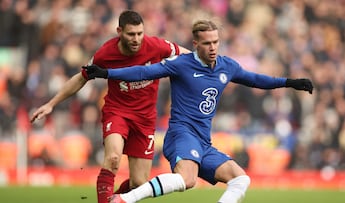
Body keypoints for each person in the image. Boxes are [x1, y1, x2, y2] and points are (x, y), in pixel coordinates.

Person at [83, 20, 314, 203]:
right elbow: (143, 73)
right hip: (181, 135)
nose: (212, 47)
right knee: (188, 180)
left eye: (215, 42)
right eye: (206, 43)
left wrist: (289, 82)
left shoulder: (227, 66)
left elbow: (255, 79)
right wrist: (107, 74)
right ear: (195, 44)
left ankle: (125, 196)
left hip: (204, 140)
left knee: (240, 179)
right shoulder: (181, 63)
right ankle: (124, 200)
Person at [30, 10, 190, 203]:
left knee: (139, 183)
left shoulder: (155, 45)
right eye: (131, 34)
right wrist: (51, 104)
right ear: (119, 31)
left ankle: (116, 199)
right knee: (113, 158)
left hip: (145, 118)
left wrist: (210, 67)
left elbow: (188, 56)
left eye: (140, 33)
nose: (136, 39)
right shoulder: (106, 53)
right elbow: (81, 78)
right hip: (118, 112)